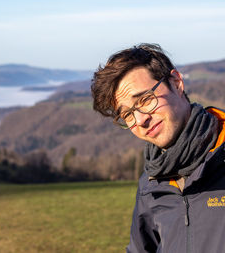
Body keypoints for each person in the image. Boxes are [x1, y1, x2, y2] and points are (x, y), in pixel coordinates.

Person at [91, 43, 225, 252]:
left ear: (177, 83)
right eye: (127, 114)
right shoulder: (151, 183)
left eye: (145, 99)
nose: (140, 120)